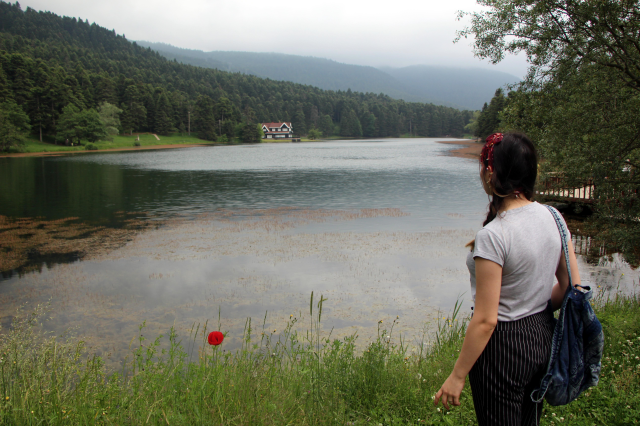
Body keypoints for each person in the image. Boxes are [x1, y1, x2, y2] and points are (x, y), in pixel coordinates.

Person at [433, 132, 581, 425]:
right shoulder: (554, 216)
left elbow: (487, 320)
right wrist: (533, 306)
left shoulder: (494, 235)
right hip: (543, 335)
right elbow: (570, 288)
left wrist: (457, 375)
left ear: (491, 173)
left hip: (503, 349)